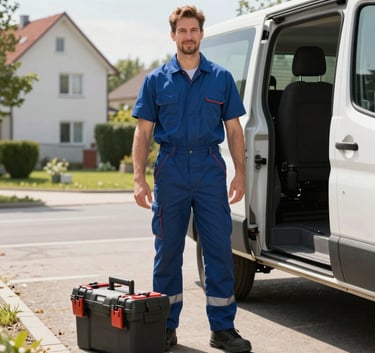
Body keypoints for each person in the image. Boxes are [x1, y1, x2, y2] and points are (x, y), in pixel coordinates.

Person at [131, 5, 251, 353]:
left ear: (201, 34)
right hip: (170, 169)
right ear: (173, 36)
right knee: (167, 251)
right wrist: (139, 179)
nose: (188, 36)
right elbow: (142, 132)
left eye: (193, 30)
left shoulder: (221, 78)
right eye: (181, 31)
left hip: (209, 166)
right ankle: (165, 327)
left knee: (218, 249)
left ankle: (223, 328)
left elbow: (234, 129)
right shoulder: (156, 80)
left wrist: (240, 173)